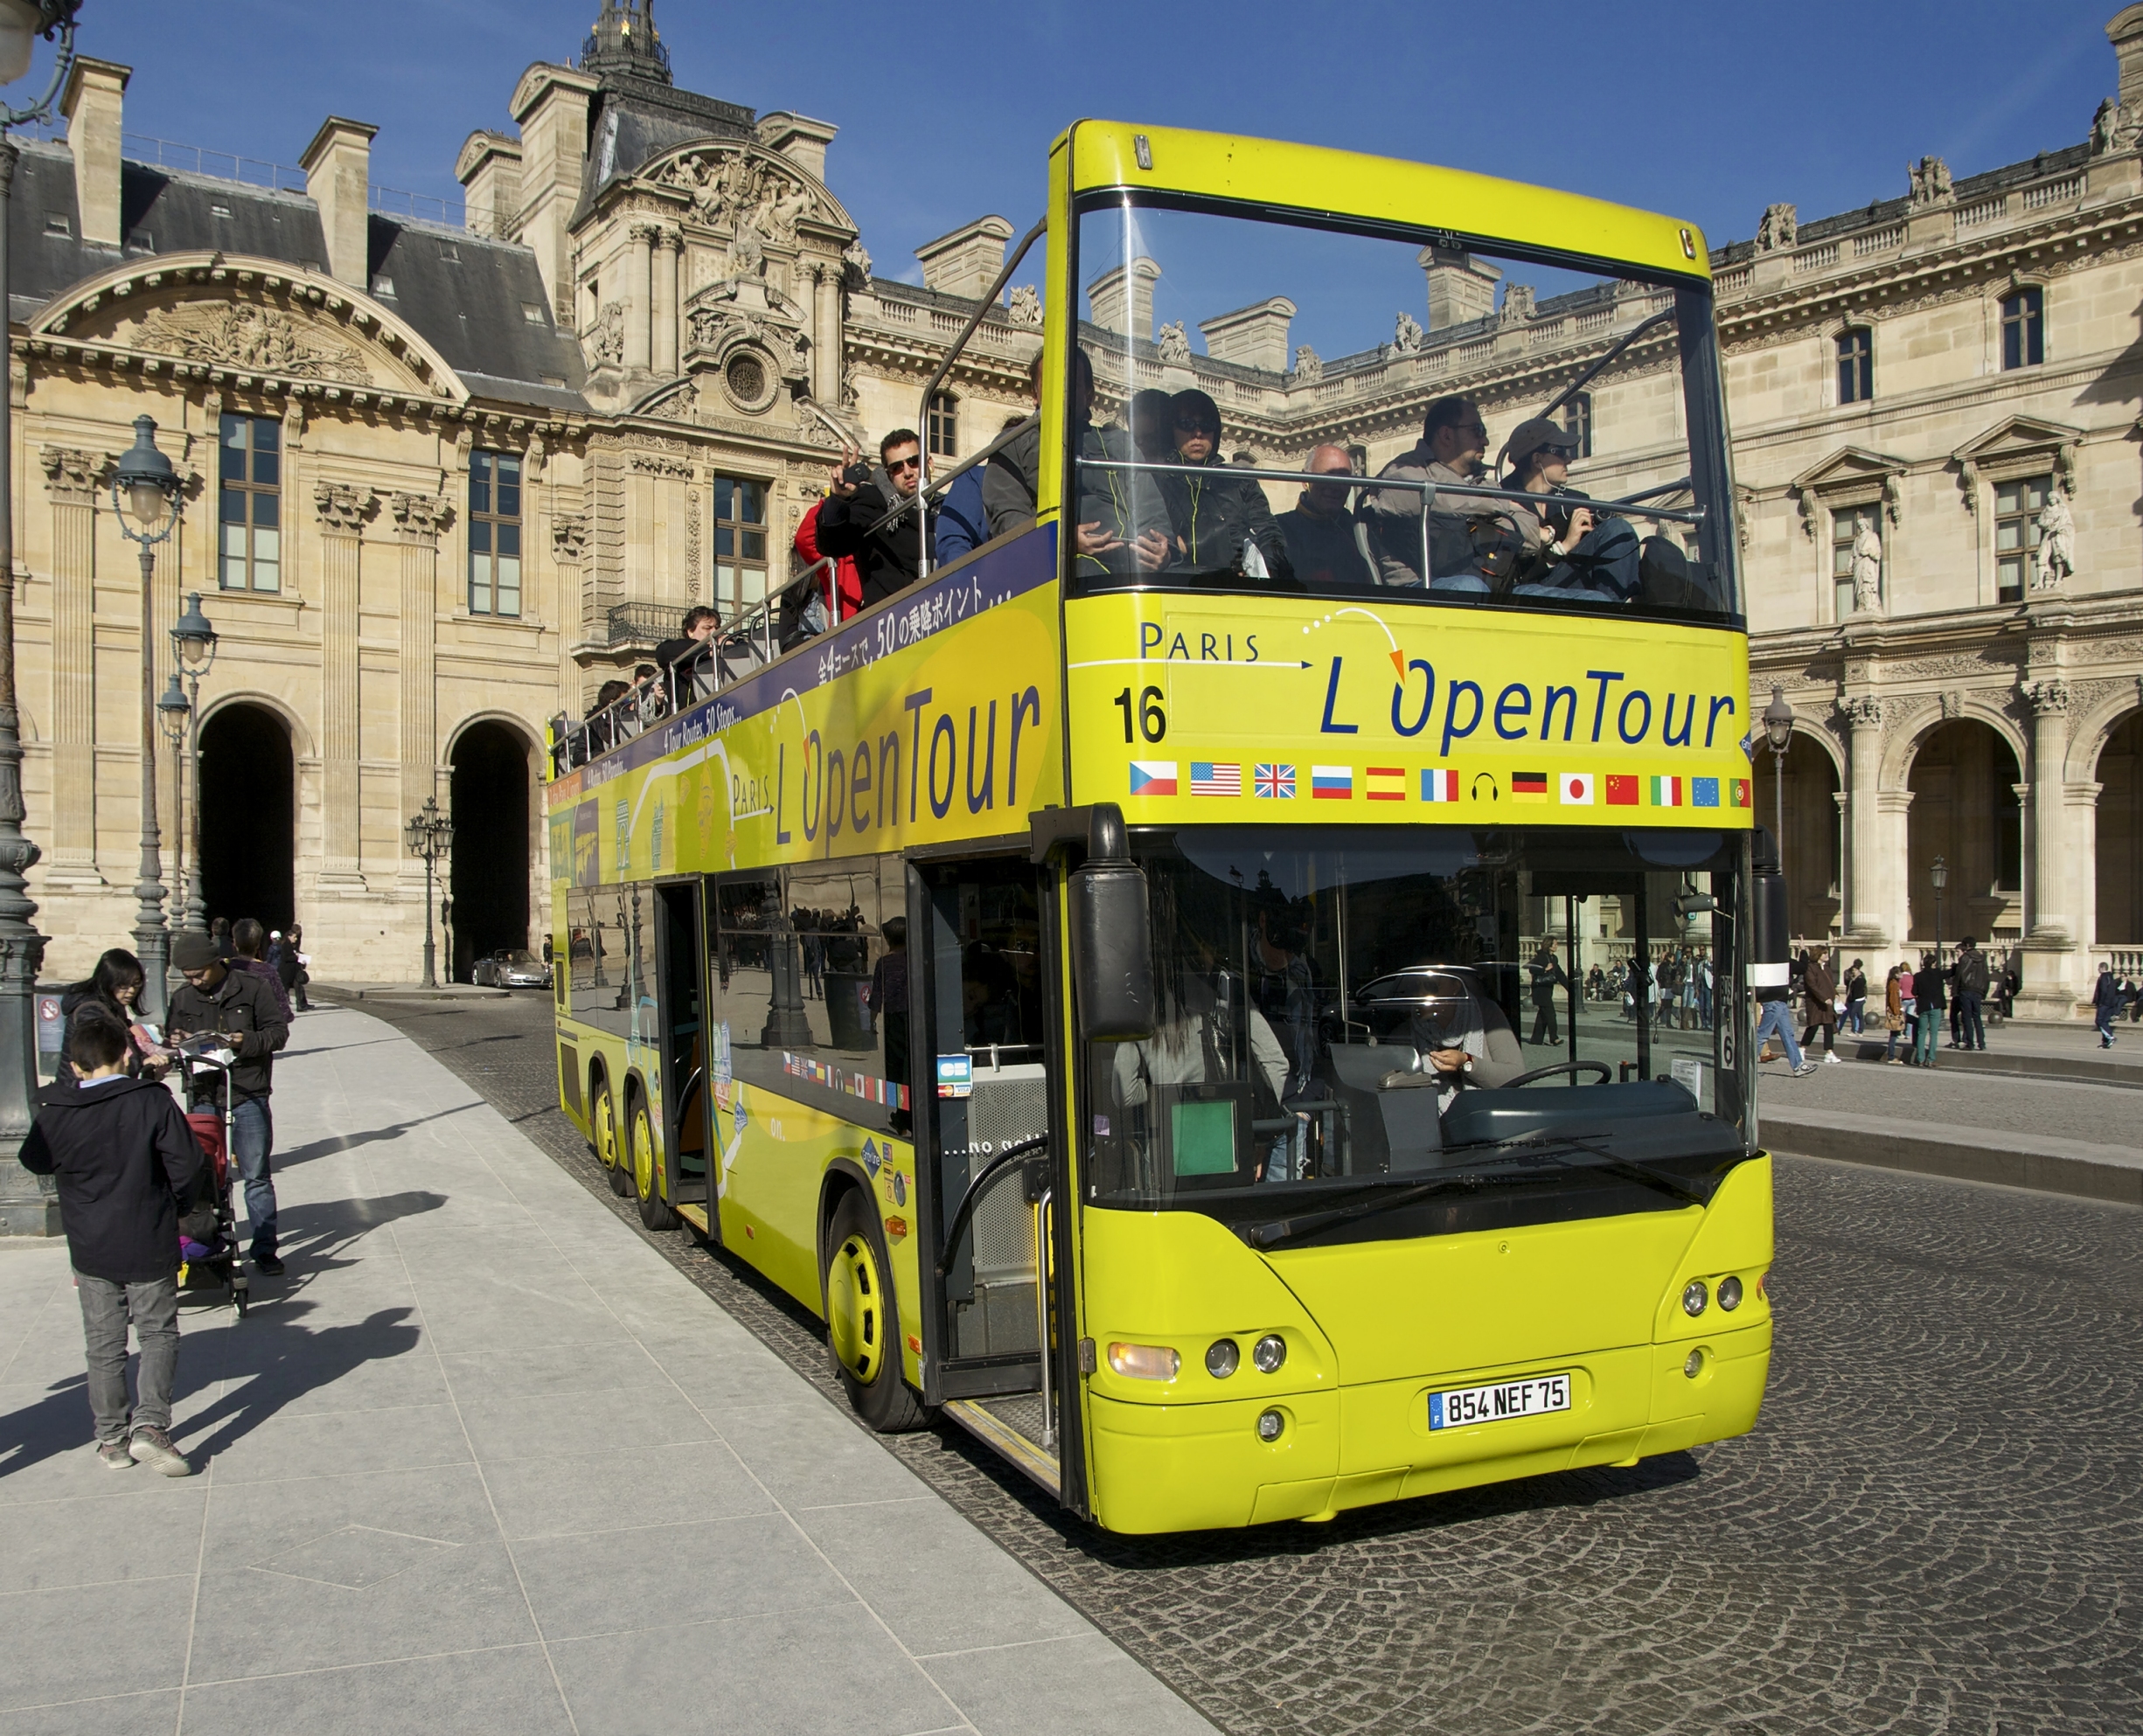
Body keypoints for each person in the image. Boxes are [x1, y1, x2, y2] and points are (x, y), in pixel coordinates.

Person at [18, 1007, 204, 1476]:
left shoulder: (58, 1110)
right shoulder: (152, 1100)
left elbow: (35, 1161)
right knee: (157, 1332)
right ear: (127, 1054)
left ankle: (112, 1441)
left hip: (90, 1243)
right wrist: (179, 1206)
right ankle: (151, 1426)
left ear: (77, 1067)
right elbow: (188, 1165)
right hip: (147, 1232)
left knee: (103, 1343)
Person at [983, 351, 1170, 582]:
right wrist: (1064, 541)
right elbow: (1008, 518)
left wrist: (1163, 550)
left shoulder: (1120, 443)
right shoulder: (1011, 443)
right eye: (1051, 382)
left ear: (1088, 394)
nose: (1062, 391)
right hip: (1057, 569)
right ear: (1035, 393)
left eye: (1072, 384)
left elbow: (1152, 509)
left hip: (1134, 566)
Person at [166, 929, 289, 1275]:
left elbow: (278, 1034)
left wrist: (242, 1040)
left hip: (247, 1090)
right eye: (189, 977)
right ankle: (211, 1245)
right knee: (206, 1177)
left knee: (256, 1175)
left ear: (215, 963)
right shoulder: (184, 998)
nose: (195, 981)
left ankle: (265, 1249)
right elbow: (171, 1036)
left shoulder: (252, 988)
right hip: (204, 1093)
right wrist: (176, 1040)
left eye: (199, 974)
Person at [1359, 396, 1520, 592]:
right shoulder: (1404, 471)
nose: (1485, 440)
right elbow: (1433, 499)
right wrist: (1499, 506)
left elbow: (1529, 531)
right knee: (1469, 587)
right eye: (1477, 430)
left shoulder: (1483, 480)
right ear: (1446, 435)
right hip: (1420, 586)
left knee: (1555, 597)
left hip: (1487, 580)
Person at [1497, 416, 1641, 601]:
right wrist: (1564, 547)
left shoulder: (1574, 501)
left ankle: (1613, 611)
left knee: (1619, 530)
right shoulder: (1502, 501)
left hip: (1575, 585)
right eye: (1560, 452)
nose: (1569, 459)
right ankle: (1609, 613)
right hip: (1525, 591)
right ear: (1537, 459)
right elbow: (1512, 574)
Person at [1155, 389, 1292, 583]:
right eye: (1186, 424)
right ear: (1171, 429)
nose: (1198, 433)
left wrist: (1262, 571)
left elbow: (1270, 534)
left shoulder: (1240, 479)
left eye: (1206, 425)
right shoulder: (1157, 479)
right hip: (1177, 584)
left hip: (1233, 585)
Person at [817, 428, 939, 608]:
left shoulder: (947, 504)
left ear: (929, 463)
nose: (907, 472)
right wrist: (838, 499)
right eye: (897, 467)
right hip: (893, 619)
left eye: (914, 462)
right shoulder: (874, 501)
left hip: (945, 605)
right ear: (888, 474)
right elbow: (832, 544)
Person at [56, 948, 165, 1087]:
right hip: (78, 1092)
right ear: (108, 981)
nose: (131, 991)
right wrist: (140, 1063)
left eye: (136, 984)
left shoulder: (111, 1006)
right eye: (123, 985)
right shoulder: (91, 1011)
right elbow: (100, 1060)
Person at [1276, 445, 1375, 589]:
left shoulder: (1359, 530)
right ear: (1305, 480)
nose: (1335, 486)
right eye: (1326, 476)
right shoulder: (1279, 528)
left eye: (1343, 478)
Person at [867, 916, 909, 1135]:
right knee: (910, 1068)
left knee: (895, 1068)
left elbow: (877, 996)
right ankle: (909, 1115)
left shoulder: (883, 963)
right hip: (913, 1017)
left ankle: (901, 1115)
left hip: (894, 1020)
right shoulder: (911, 959)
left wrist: (872, 1019)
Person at [229, 917, 294, 1027]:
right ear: (258, 944)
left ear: (234, 943)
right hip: (261, 1032)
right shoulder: (267, 971)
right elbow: (283, 1012)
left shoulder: (225, 968)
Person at [1755, 969, 1818, 1077]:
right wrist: (1803, 952)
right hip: (1773, 1000)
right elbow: (1801, 965)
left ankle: (1798, 1066)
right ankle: (1745, 1065)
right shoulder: (1778, 957)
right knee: (1763, 1034)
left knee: (1788, 1034)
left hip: (1780, 1001)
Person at [1799, 947, 1840, 1062]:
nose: (1827, 955)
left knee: (1829, 1027)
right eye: (1824, 953)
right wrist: (1824, 998)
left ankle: (1829, 1052)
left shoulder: (1826, 969)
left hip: (1827, 1003)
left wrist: (1835, 994)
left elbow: (1830, 984)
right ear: (1818, 955)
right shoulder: (1810, 968)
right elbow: (1813, 986)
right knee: (1813, 1027)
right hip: (1815, 1003)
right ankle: (1802, 1048)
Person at [1952, 934, 1989, 1051]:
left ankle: (1970, 1043)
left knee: (1966, 1017)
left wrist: (1955, 990)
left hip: (1966, 989)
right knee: (1977, 1017)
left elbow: (1960, 974)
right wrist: (1984, 992)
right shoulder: (1982, 958)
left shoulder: (1965, 958)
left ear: (1967, 946)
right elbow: (1986, 976)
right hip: (1978, 990)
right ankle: (1981, 1043)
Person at [1527, 943, 1567, 1046]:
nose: (1556, 946)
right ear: (1549, 946)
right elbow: (1532, 969)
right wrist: (1545, 969)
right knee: (1551, 1014)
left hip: (1548, 989)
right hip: (1540, 990)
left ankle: (1536, 1039)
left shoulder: (1554, 958)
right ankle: (1554, 1038)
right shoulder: (1541, 957)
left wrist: (1569, 986)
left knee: (1543, 1015)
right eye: (1554, 944)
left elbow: (1559, 973)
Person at [1912, 950, 1945, 1068]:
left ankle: (1920, 1059)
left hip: (1923, 1006)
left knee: (1921, 1033)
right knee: (1934, 1033)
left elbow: (1914, 992)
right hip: (1935, 1006)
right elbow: (1951, 972)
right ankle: (1930, 1059)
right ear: (1934, 963)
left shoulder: (1918, 976)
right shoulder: (1938, 974)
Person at [2093, 962, 2124, 1047]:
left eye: (2099, 968)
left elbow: (2103, 991)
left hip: (2104, 1003)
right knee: (2105, 1021)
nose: (2098, 969)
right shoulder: (2111, 977)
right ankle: (2106, 1042)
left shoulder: (2103, 977)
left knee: (2099, 1021)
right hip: (2111, 1003)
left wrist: (2100, 1002)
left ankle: (2110, 1037)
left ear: (2102, 968)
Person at [284, 921, 312, 1013]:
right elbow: (285, 958)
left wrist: (300, 956)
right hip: (287, 970)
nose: (296, 938)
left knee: (299, 986)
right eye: (295, 936)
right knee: (285, 989)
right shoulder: (285, 945)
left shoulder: (296, 940)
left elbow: (296, 950)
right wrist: (296, 956)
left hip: (295, 969)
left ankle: (301, 1005)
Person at [1882, 963, 1907, 1064]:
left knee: (1894, 1034)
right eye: (1900, 973)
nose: (1902, 975)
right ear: (1896, 974)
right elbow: (1893, 1000)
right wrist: (1898, 1012)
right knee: (1893, 1034)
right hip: (1895, 1012)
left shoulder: (1893, 983)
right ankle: (1891, 1057)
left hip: (1896, 1010)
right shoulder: (1894, 984)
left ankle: (1891, 1056)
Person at [1843, 958, 1868, 1035]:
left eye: (1855, 970)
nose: (1854, 972)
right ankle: (1860, 1031)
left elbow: (1858, 990)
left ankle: (1854, 1030)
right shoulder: (1853, 979)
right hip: (1856, 998)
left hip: (1858, 999)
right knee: (1859, 1014)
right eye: (1853, 970)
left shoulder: (1860, 979)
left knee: (1852, 1014)